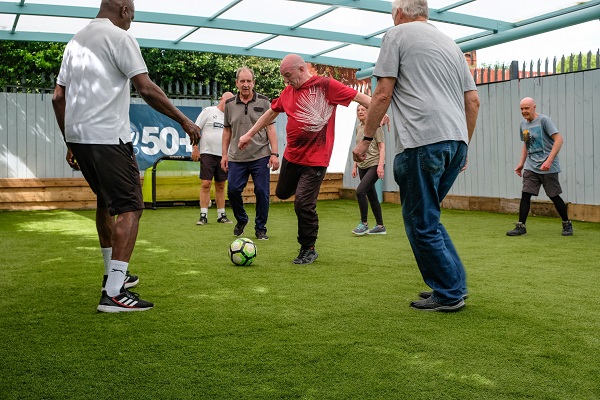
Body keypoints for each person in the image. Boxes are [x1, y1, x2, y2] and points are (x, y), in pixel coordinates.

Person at [52, 0, 200, 313]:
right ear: (123, 10)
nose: (132, 20)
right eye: (133, 14)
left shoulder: (75, 42)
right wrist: (184, 120)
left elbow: (58, 97)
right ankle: (115, 293)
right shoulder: (121, 38)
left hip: (79, 138)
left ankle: (111, 274)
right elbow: (145, 88)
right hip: (107, 138)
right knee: (132, 206)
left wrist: (70, 141)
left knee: (106, 202)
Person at [352, 0, 480, 312]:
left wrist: (365, 138)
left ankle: (449, 293)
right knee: (429, 217)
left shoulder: (396, 35)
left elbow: (382, 93)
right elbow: (473, 101)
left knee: (420, 222)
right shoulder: (450, 44)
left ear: (398, 13)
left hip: (423, 141)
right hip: (455, 141)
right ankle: (452, 285)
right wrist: (463, 145)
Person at [238, 54, 387, 265]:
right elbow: (271, 113)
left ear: (301, 69)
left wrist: (379, 112)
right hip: (292, 156)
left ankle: (308, 248)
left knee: (302, 204)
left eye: (288, 75)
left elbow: (361, 99)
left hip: (316, 160)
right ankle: (303, 195)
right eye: (283, 77)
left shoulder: (326, 86)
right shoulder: (288, 91)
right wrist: (249, 134)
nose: (286, 81)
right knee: (281, 193)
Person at [220, 67, 279, 241]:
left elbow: (270, 128)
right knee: (233, 191)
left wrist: (274, 153)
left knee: (262, 191)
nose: (246, 85)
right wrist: (224, 155)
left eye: (249, 81)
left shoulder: (264, 102)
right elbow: (226, 131)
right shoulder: (230, 104)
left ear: (253, 82)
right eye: (242, 81)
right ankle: (242, 219)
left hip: (260, 155)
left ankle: (261, 228)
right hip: (236, 157)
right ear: (237, 83)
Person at [506, 97, 572, 236]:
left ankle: (567, 224)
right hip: (531, 165)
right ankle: (521, 226)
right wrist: (521, 164)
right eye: (522, 109)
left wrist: (549, 160)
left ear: (534, 107)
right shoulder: (523, 124)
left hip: (548, 166)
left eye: (526, 108)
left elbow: (559, 140)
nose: (524, 111)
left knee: (554, 195)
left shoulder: (544, 121)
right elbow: (526, 144)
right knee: (525, 194)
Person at [191, 92, 235, 225]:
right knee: (206, 183)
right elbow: (195, 129)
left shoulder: (231, 117)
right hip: (207, 153)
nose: (229, 103)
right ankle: (203, 215)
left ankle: (221, 215)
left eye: (231, 101)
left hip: (223, 155)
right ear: (221, 99)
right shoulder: (208, 111)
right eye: (227, 100)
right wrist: (195, 148)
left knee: (221, 185)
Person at [351, 105, 386, 236]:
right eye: (358, 110)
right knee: (372, 195)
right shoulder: (358, 128)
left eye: (363, 110)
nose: (360, 112)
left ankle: (364, 224)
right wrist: (355, 166)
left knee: (360, 191)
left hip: (374, 164)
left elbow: (382, 147)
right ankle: (380, 226)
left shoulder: (375, 126)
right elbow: (358, 148)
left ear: (368, 112)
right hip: (362, 166)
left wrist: (380, 165)